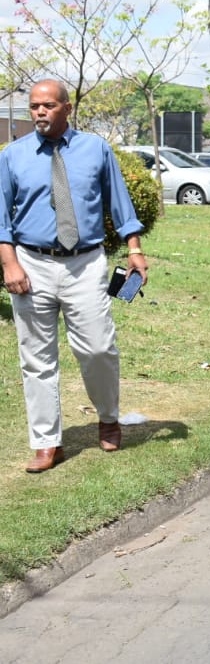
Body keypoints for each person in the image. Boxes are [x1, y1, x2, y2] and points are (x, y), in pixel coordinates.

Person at [0, 79, 148, 474]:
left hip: (86, 263)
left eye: (48, 105)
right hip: (32, 264)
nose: (39, 113)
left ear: (67, 108)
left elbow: (121, 203)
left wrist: (134, 250)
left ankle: (109, 417)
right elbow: (1, 218)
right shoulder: (12, 156)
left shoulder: (96, 149)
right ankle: (47, 443)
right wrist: (9, 264)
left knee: (98, 347)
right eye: (34, 106)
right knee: (36, 359)